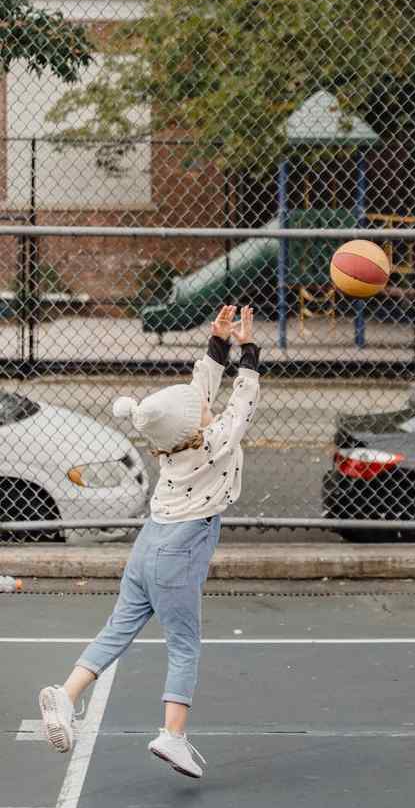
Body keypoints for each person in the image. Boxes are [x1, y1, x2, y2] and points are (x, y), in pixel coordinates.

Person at [37, 305, 260, 779]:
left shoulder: (172, 442)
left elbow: (198, 394)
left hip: (149, 544)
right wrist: (249, 352)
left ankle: (66, 694)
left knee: (117, 628)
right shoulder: (214, 441)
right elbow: (241, 404)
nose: (207, 406)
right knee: (184, 646)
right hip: (179, 551)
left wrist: (218, 343)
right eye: (203, 410)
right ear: (197, 426)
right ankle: (172, 736)